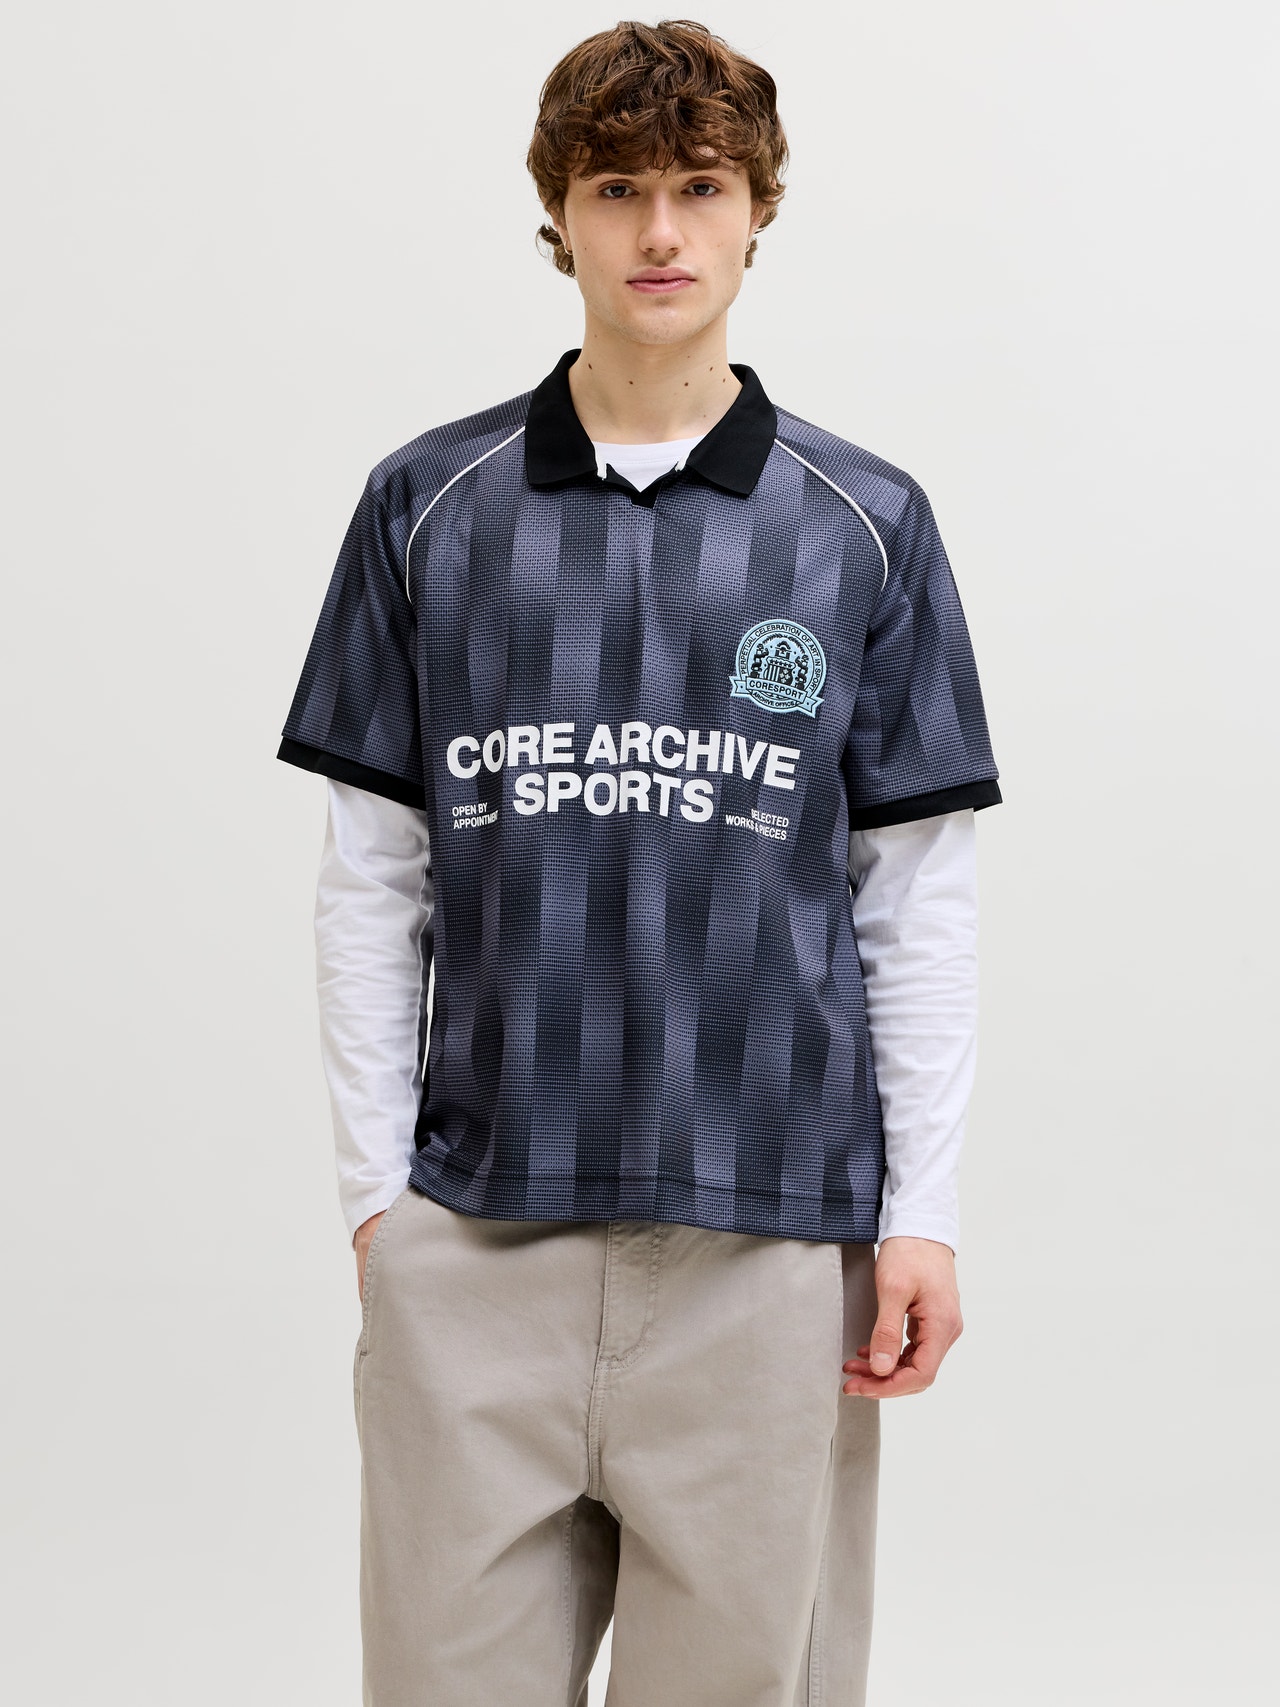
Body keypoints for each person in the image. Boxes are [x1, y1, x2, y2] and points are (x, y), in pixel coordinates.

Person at [277, 18, 1001, 1706]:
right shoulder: (429, 506)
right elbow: (375, 877)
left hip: (769, 1249)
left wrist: (922, 1218)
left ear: (758, 211)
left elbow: (915, 898)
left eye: (701, 187)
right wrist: (380, 1205)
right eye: (618, 190)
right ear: (560, 211)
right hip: (480, 1233)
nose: (661, 232)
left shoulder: (866, 523)